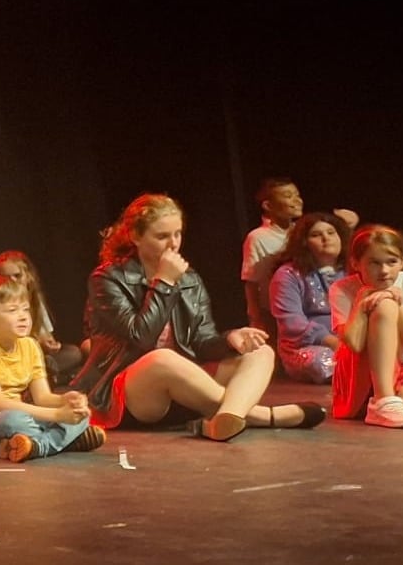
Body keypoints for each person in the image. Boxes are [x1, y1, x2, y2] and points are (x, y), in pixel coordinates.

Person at [70, 194, 324, 440]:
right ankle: (265, 416)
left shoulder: (189, 278)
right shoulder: (107, 279)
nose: (173, 244)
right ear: (136, 236)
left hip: (186, 388)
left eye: (177, 234)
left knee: (260, 352)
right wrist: (164, 282)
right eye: (162, 236)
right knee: (161, 358)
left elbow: (202, 341)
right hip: (131, 393)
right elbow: (140, 338)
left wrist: (230, 339)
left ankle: (226, 419)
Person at [0, 276, 105, 462]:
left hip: (17, 415)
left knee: (82, 415)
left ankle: (35, 445)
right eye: (12, 310)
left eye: (26, 309)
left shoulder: (30, 346)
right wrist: (57, 415)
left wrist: (65, 400)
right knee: (14, 421)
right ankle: (62, 441)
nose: (23, 316)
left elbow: (43, 398)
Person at [328, 225, 403, 428]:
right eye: (374, 263)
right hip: (361, 364)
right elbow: (354, 343)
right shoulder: (342, 288)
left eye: (392, 262)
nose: (384, 271)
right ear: (356, 262)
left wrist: (396, 303)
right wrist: (363, 299)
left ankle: (387, 401)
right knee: (384, 305)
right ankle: (384, 399)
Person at [239, 178, 358, 336]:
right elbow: (251, 282)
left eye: (297, 195)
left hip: (306, 305)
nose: (297, 200)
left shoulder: (301, 230)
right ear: (268, 205)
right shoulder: (258, 237)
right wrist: (255, 319)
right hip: (275, 311)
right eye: (288, 196)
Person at [266, 213, 350, 384]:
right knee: (323, 362)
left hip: (352, 341)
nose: (326, 238)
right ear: (304, 243)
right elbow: (291, 322)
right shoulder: (287, 275)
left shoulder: (354, 270)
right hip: (306, 347)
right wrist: (334, 342)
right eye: (316, 235)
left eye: (331, 232)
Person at [0, 251, 84, 383]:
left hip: (35, 354)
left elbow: (45, 335)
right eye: (6, 277)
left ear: (28, 276)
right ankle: (49, 376)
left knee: (73, 353)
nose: (12, 281)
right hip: (9, 356)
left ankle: (47, 374)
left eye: (17, 276)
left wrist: (49, 343)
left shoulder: (34, 299)